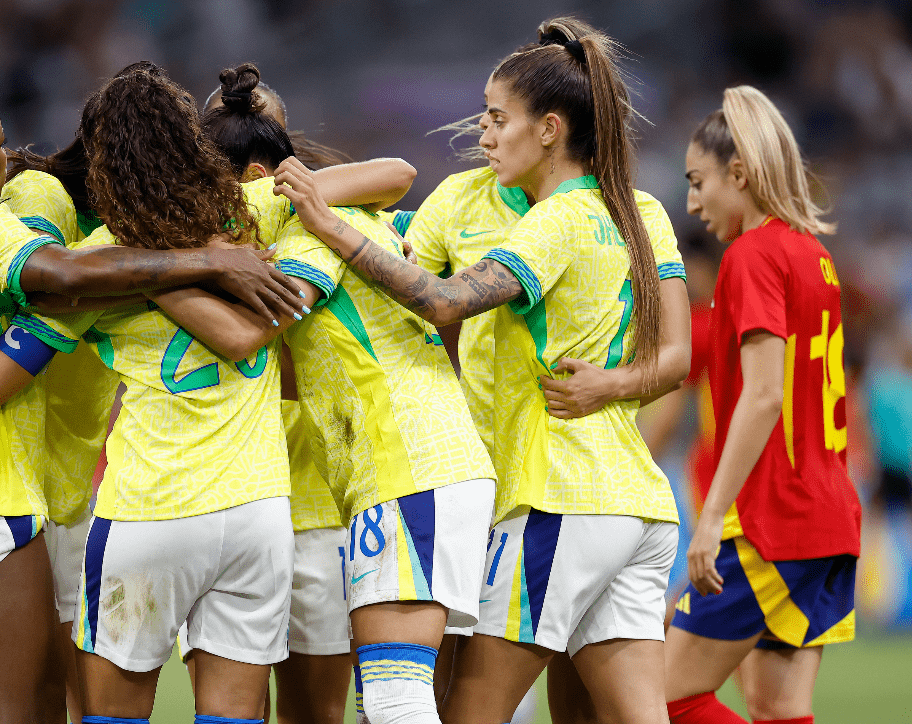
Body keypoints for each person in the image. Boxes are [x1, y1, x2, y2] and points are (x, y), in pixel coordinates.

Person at [273, 17, 688, 724]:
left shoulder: (561, 219)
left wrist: (324, 223)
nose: (483, 134)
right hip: (637, 501)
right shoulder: (621, 206)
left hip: (550, 490)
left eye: (498, 118)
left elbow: (437, 300)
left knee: (462, 709)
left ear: (551, 129)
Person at [0, 81, 304, 724]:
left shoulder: (123, 229)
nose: (14, 160)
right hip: (7, 490)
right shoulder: (38, 215)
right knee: (33, 711)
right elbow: (49, 282)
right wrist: (202, 261)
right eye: (1, 147)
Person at [152, 63, 496, 724]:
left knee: (392, 700)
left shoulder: (306, 224)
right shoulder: (335, 209)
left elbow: (248, 339)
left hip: (403, 464)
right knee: (388, 701)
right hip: (394, 470)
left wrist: (153, 274)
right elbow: (395, 172)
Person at [186, 63, 418, 724]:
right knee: (231, 707)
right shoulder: (190, 224)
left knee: (312, 712)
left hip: (317, 498)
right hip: (222, 492)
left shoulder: (316, 210)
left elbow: (398, 171)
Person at [664, 85, 862, 724]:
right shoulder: (814, 255)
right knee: (777, 709)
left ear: (740, 174)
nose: (692, 202)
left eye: (699, 181)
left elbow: (765, 394)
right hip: (829, 519)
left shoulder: (751, 256)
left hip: (773, 520)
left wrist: (711, 516)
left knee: (663, 699)